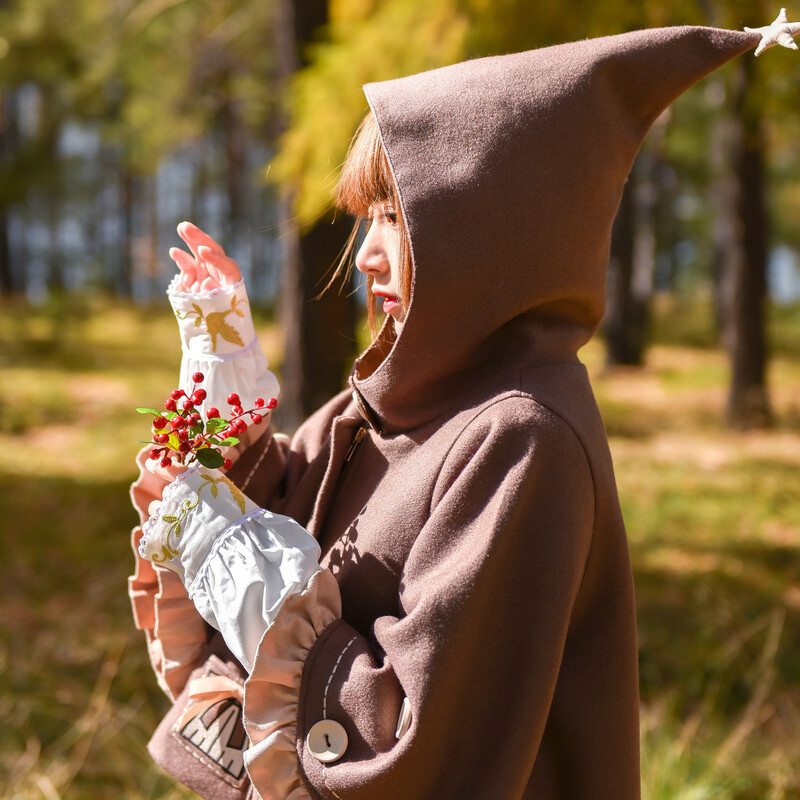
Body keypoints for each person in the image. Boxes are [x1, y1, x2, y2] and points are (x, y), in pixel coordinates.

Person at [128, 18, 790, 800]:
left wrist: (245, 575)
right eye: (367, 217)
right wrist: (223, 428)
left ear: (492, 231)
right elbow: (261, 560)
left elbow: (419, 749)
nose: (367, 254)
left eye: (395, 217)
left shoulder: (521, 437)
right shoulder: (375, 409)